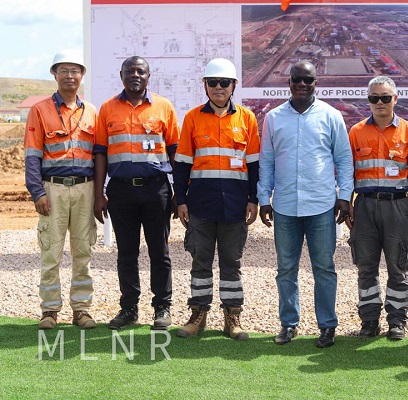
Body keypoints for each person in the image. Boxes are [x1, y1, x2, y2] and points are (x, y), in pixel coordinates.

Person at [258, 60, 354, 348]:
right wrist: (265, 198)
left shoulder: (331, 116)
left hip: (322, 206)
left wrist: (344, 196)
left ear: (316, 83)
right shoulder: (274, 118)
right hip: (285, 206)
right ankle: (288, 324)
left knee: (324, 268)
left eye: (308, 80)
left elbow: (344, 159)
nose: (302, 84)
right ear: (288, 82)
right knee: (286, 268)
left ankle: (327, 326)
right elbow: (267, 161)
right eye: (297, 79)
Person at [172, 58, 260, 340]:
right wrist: (180, 200)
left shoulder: (247, 119)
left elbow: (255, 164)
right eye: (213, 83)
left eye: (224, 83)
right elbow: (182, 164)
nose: (218, 88)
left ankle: (232, 317)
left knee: (231, 264)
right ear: (205, 86)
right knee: (200, 262)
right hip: (201, 205)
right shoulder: (193, 118)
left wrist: (254, 198)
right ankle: (198, 314)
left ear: (233, 86)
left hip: (235, 206)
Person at [94, 56, 180, 330]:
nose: (135, 75)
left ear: (148, 76)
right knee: (126, 253)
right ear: (121, 75)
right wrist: (99, 194)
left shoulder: (164, 107)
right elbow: (100, 154)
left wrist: (179, 192)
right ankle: (129, 308)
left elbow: (176, 151)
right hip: (120, 193)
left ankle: (162, 308)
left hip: (156, 190)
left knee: (160, 251)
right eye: (129, 71)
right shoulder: (108, 109)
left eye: (140, 71)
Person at [346, 76, 408, 340]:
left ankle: (397, 320)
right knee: (365, 266)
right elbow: (347, 173)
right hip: (365, 207)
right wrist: (348, 205)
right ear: (368, 101)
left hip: (397, 207)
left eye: (385, 97)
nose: (379, 103)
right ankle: (369, 321)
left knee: (398, 266)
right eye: (374, 98)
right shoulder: (356, 132)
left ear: (395, 99)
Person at [24, 51, 98, 330]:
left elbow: (98, 155)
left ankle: (81, 309)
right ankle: (50, 311)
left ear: (82, 75)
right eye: (64, 70)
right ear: (54, 74)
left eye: (75, 70)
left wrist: (98, 194)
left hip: (85, 189)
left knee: (83, 252)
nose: (70, 76)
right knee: (51, 252)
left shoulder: (91, 111)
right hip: (52, 190)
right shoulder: (40, 110)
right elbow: (32, 155)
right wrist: (37, 192)